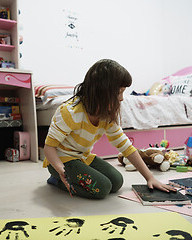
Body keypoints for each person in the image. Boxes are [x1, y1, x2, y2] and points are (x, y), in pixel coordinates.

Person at [43, 59, 176, 199]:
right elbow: (49, 148)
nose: (121, 99)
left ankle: (69, 176)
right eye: (119, 93)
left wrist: (150, 178)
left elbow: (125, 146)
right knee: (102, 188)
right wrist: (60, 169)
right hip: (60, 160)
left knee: (116, 182)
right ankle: (56, 180)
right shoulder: (70, 112)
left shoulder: (105, 114)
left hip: (82, 157)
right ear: (102, 92)